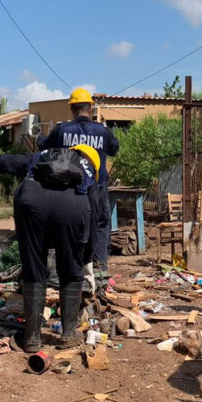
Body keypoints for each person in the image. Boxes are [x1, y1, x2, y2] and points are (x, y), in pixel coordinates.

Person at [0, 145, 99, 352]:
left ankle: (32, 337)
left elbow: (10, 161)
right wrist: (86, 257)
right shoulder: (87, 172)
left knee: (34, 265)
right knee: (70, 267)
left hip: (32, 203)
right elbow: (95, 217)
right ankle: (69, 333)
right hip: (72, 208)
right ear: (92, 162)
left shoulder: (42, 156)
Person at [39, 88, 119, 275]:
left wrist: (39, 138)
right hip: (97, 188)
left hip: (68, 189)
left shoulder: (61, 130)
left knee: (65, 225)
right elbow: (114, 149)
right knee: (99, 224)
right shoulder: (102, 131)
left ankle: (65, 267)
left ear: (72, 109)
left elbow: (44, 146)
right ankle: (99, 268)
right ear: (90, 108)